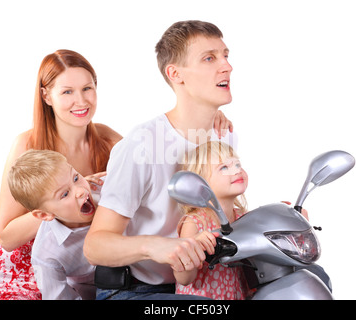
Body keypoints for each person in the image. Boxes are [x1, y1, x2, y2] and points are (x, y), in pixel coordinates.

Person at [84, 20, 237, 300]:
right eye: (209, 58)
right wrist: (156, 246)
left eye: (226, 55)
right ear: (175, 74)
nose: (226, 66)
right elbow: (95, 245)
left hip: (199, 284)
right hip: (136, 290)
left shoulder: (223, 135)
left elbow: (224, 212)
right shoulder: (143, 145)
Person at [0, 49, 122, 300]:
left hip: (83, 265)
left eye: (87, 88)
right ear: (46, 96)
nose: (81, 101)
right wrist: (61, 205)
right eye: (67, 92)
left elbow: (154, 172)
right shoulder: (26, 145)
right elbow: (7, 236)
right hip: (29, 267)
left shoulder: (107, 139)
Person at [8, 149, 100, 300]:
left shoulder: (102, 190)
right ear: (44, 214)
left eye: (76, 178)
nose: (80, 191)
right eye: (64, 194)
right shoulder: (46, 254)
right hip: (96, 292)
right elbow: (58, 296)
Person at [174, 141, 251, 300]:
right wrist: (193, 248)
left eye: (237, 164)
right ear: (201, 184)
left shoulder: (244, 217)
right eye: (224, 168)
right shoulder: (195, 223)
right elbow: (183, 279)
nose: (236, 171)